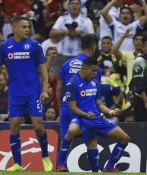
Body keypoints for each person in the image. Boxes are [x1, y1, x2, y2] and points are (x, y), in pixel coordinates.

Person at [0, 16, 52, 172]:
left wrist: (44, 89)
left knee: (38, 126)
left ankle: (45, 156)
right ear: (14, 28)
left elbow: (43, 68)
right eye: (24, 27)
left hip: (34, 92)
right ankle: (18, 163)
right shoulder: (4, 46)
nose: (27, 29)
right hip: (15, 94)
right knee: (14, 126)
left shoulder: (34, 46)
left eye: (28, 27)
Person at [65, 58, 130, 172]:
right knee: (92, 145)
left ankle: (109, 166)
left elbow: (100, 104)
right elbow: (72, 106)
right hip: (85, 120)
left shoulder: (95, 83)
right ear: (84, 69)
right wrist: (85, 115)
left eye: (96, 71)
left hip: (99, 119)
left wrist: (111, 112)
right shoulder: (73, 82)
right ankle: (95, 171)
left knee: (125, 139)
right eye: (93, 71)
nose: (95, 74)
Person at [56, 34, 102, 171]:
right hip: (85, 109)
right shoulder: (93, 67)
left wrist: (61, 108)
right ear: (94, 46)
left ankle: (60, 165)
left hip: (66, 106)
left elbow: (59, 88)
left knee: (66, 138)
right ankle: (95, 170)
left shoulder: (67, 63)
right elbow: (94, 91)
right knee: (91, 142)